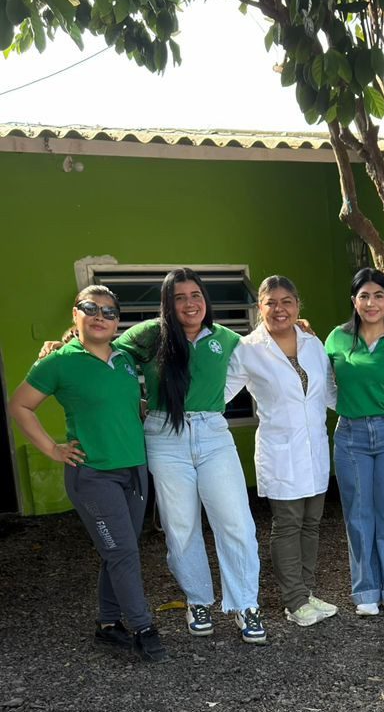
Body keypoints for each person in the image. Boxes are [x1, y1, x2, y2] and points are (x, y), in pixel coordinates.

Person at [9, 287, 168, 662]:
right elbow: (19, 405)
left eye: (109, 312)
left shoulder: (125, 358)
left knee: (118, 551)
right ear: (75, 314)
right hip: (94, 475)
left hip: (134, 469)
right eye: (90, 308)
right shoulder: (59, 361)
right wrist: (52, 449)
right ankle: (144, 627)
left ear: (117, 322)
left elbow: (121, 398)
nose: (100, 316)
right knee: (123, 551)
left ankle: (109, 625)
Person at [116, 268, 266, 645]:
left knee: (236, 522)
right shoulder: (150, 335)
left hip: (214, 434)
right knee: (181, 526)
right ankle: (198, 600)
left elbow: (268, 349)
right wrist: (68, 342)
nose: (189, 303)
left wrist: (301, 333)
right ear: (168, 303)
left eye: (195, 295)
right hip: (164, 436)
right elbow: (106, 353)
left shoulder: (228, 339)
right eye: (179, 297)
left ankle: (246, 605)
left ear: (206, 299)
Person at [225, 275, 339, 628]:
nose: (279, 309)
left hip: (315, 449)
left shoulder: (312, 343)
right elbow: (218, 394)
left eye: (287, 301)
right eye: (271, 302)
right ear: (260, 307)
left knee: (312, 523)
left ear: (297, 305)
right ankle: (292, 600)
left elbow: (331, 391)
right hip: (280, 451)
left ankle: (304, 592)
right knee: (288, 524)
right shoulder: (248, 349)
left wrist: (375, 405)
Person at [325, 268, 384, 617]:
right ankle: (366, 590)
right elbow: (322, 382)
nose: (371, 302)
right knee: (359, 514)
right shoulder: (336, 338)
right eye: (364, 296)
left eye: (379, 295)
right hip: (351, 436)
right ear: (354, 300)